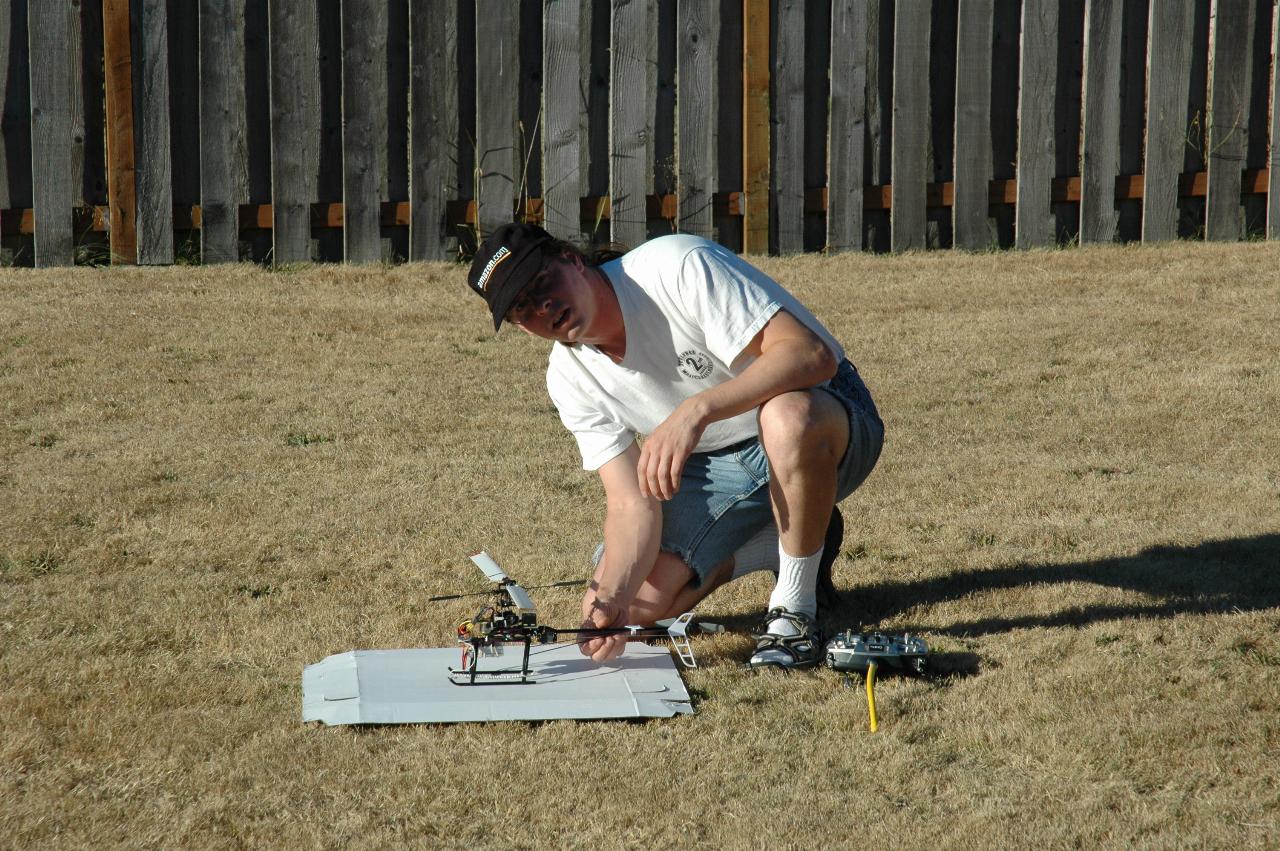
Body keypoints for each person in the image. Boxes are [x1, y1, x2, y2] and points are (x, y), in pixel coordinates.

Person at [466, 223, 883, 668]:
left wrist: (697, 409)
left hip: (826, 417)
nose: (543, 306)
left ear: (571, 258)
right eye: (524, 308)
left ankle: (795, 609)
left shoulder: (676, 265)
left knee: (787, 417)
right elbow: (630, 505)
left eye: (543, 283)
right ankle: (781, 539)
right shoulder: (567, 378)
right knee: (634, 610)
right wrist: (612, 596)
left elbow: (810, 355)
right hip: (716, 465)